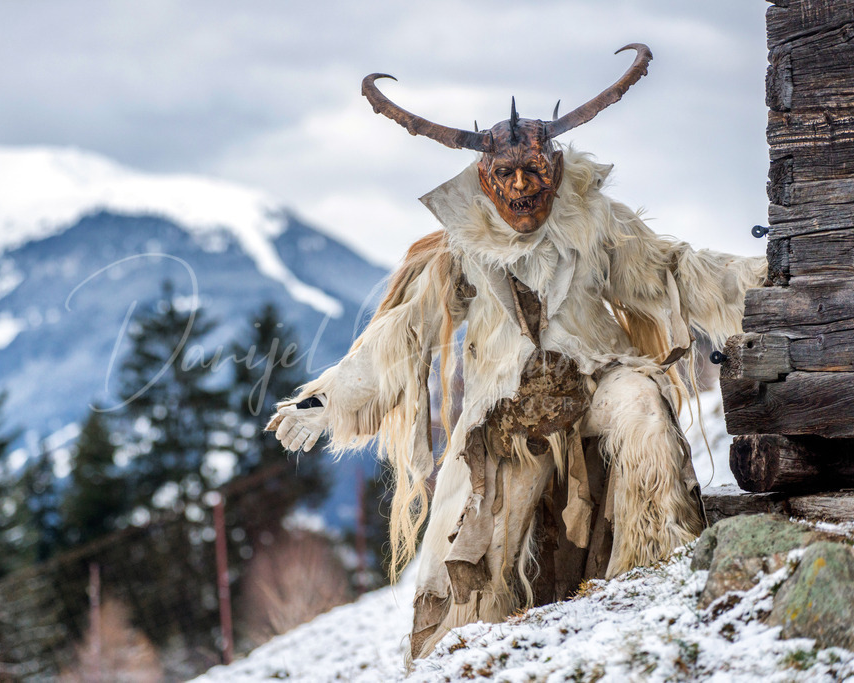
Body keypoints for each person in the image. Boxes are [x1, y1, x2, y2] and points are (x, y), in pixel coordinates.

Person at [267, 44, 766, 660]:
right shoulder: (459, 247)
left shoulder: (595, 222)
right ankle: (461, 654)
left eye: (536, 172)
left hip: (597, 377)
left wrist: (758, 278)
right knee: (475, 532)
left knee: (641, 408)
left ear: (555, 169)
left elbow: (671, 269)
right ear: (485, 178)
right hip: (502, 407)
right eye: (508, 175)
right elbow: (403, 331)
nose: (524, 187)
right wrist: (326, 401)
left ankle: (656, 576)